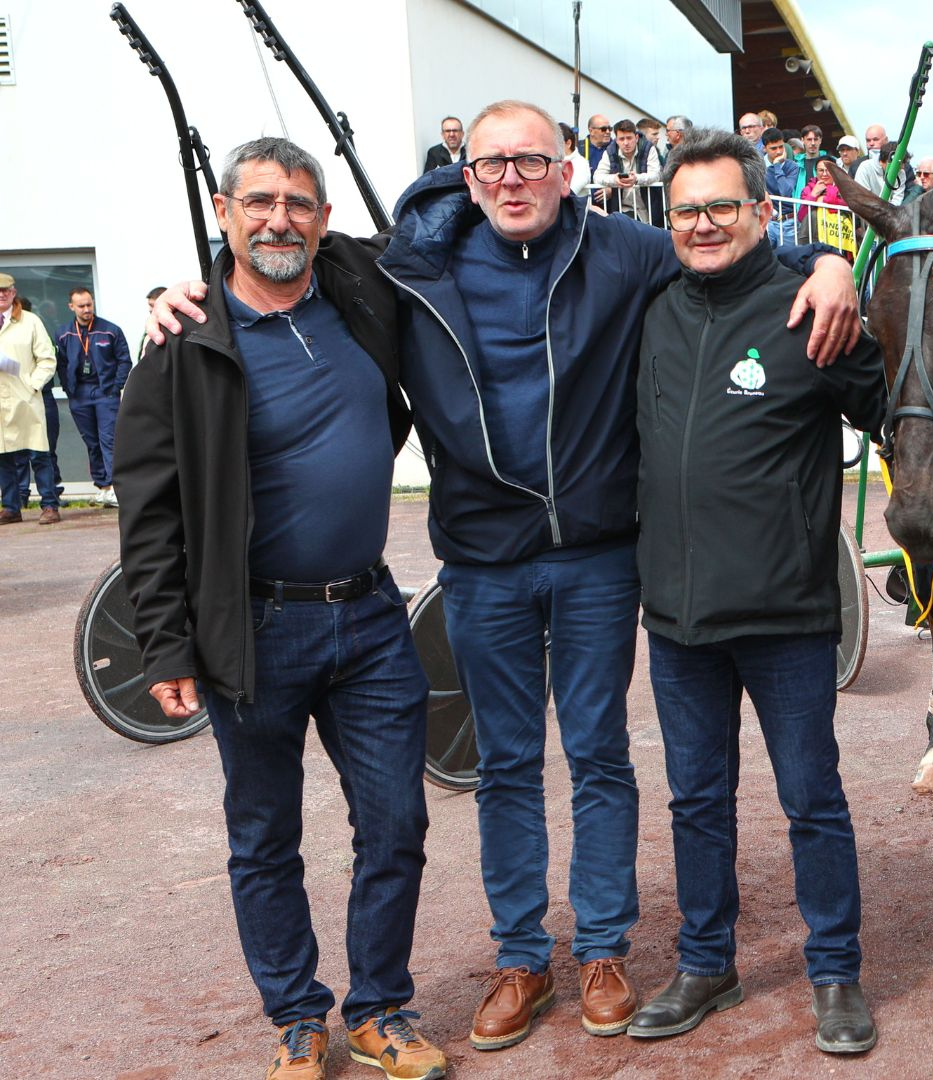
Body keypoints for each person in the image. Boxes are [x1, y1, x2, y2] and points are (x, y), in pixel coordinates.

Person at [148, 99, 860, 1056]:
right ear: (464, 174)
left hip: (601, 556)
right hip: (482, 562)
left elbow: (735, 256)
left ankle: (603, 949)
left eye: (532, 161)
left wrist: (831, 260)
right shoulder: (409, 267)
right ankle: (522, 957)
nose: (513, 179)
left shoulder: (629, 254)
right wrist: (173, 290)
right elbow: (274, 260)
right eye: (492, 165)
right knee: (508, 768)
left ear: (569, 170)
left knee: (603, 756)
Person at [117, 136, 446, 1080]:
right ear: (223, 214)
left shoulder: (357, 293)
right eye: (258, 203)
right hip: (252, 630)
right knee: (265, 836)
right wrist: (164, 645)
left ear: (325, 220)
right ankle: (299, 1019)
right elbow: (149, 517)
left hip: (372, 617)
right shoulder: (183, 346)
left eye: (300, 205)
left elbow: (438, 210)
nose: (279, 221)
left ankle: (379, 1007)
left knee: (395, 826)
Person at [623, 126, 887, 1055]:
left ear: (761, 211)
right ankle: (707, 962)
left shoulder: (807, 307)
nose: (702, 225)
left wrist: (838, 264)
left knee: (811, 798)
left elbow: (894, 405)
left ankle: (836, 972)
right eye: (686, 209)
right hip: (681, 621)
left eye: (721, 207)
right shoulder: (649, 309)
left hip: (787, 619)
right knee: (695, 801)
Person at [54, 287, 133, 505]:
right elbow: (61, 363)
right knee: (91, 442)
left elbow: (124, 360)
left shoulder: (110, 330)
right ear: (71, 307)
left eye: (90, 304)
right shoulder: (63, 333)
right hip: (79, 393)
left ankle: (117, 487)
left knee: (110, 439)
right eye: (81, 306)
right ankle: (103, 486)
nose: (87, 309)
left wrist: (115, 386)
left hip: (105, 392)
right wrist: (69, 388)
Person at [0, 273, 58, 526]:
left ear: (14, 293)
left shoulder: (30, 321)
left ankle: (49, 505)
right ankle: (11, 507)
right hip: (1, 401)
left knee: (39, 453)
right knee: (2, 456)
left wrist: (33, 385)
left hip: (26, 397)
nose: (1, 295)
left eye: (6, 290)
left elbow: (47, 359)